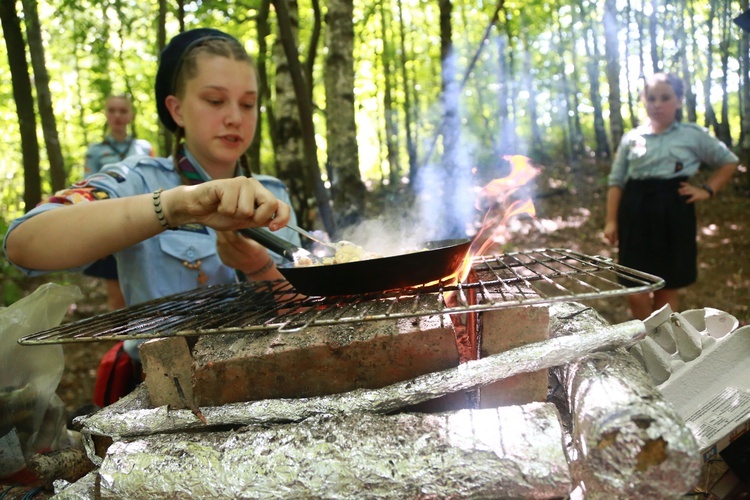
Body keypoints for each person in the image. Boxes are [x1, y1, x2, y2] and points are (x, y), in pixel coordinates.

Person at [3, 28, 300, 365]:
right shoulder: (138, 178)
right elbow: (22, 244)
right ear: (176, 110)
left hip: (274, 377)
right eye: (215, 101)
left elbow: (307, 307)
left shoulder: (273, 193)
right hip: (165, 396)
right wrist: (174, 206)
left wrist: (258, 267)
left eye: (248, 104)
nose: (235, 117)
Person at [604, 72, 739, 320]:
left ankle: (663, 345)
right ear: (643, 100)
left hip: (674, 212)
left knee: (667, 286)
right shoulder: (631, 138)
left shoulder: (692, 134)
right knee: (636, 289)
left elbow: (728, 161)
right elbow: (616, 182)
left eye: (665, 98)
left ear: (678, 100)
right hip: (635, 212)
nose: (657, 104)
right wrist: (611, 220)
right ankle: (644, 338)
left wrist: (707, 190)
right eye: (651, 98)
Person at [82, 95, 155, 310]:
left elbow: (152, 184)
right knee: (117, 298)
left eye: (123, 111)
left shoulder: (144, 147)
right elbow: (90, 192)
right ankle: (121, 343)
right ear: (106, 114)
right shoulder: (95, 151)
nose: (117, 116)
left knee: (147, 292)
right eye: (112, 110)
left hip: (143, 223)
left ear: (130, 115)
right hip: (110, 226)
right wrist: (98, 234)